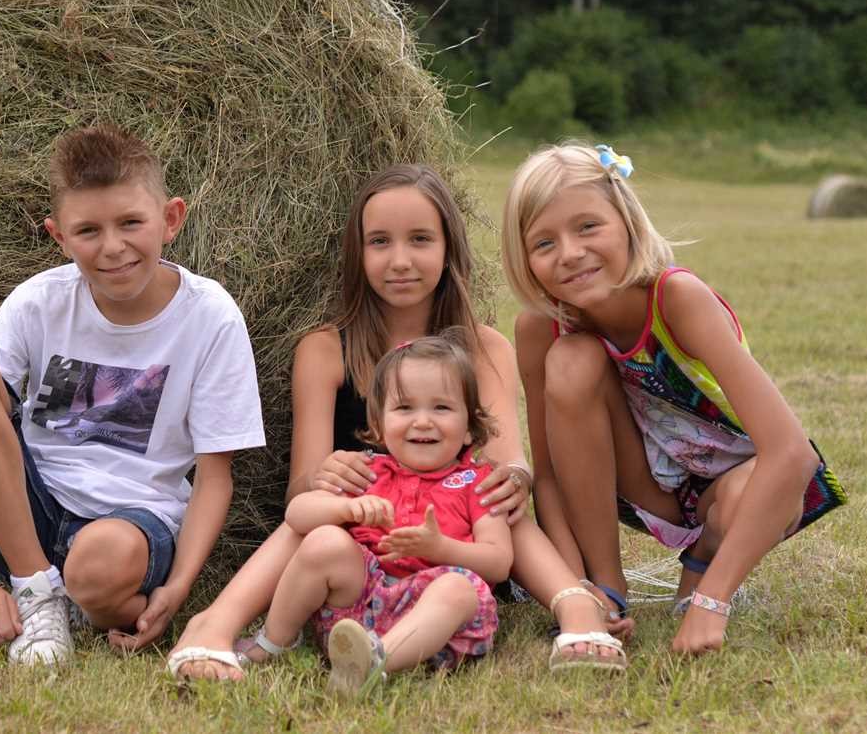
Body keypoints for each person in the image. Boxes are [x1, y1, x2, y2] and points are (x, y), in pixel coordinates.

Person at [167, 165, 625, 681]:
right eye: (380, 242)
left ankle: (574, 607)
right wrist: (326, 477)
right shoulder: (325, 350)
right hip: (357, 549)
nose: (400, 260)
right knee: (315, 519)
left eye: (421, 240)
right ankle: (214, 626)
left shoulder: (483, 347)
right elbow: (299, 492)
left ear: (449, 248)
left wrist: (513, 476)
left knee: (495, 493)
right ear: (357, 256)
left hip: (455, 550)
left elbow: (506, 461)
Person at [0, 123, 265, 666]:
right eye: (88, 231)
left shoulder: (210, 315)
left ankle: (77, 596)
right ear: (59, 237)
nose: (113, 247)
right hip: (22, 513)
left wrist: (176, 588)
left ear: (170, 219)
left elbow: (215, 474)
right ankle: (37, 593)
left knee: (99, 564)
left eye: (131, 223)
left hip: (131, 523)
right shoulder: (40, 302)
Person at [502, 142, 847, 656]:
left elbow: (793, 455)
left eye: (588, 227)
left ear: (626, 222)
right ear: (523, 259)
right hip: (644, 484)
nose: (570, 253)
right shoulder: (538, 329)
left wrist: (713, 601)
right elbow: (548, 476)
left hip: (735, 484)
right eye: (544, 243)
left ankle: (705, 560)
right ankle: (611, 585)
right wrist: (577, 589)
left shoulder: (677, 298)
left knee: (739, 505)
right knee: (570, 360)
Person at [248, 332, 511, 694]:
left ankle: (375, 661)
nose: (422, 421)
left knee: (458, 589)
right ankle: (272, 643)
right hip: (357, 609)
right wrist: (345, 507)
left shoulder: (476, 482)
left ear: (469, 428)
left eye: (441, 408)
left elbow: (499, 562)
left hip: (434, 626)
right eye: (405, 408)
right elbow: (297, 514)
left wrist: (441, 549)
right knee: (325, 540)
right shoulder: (367, 470)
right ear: (379, 425)